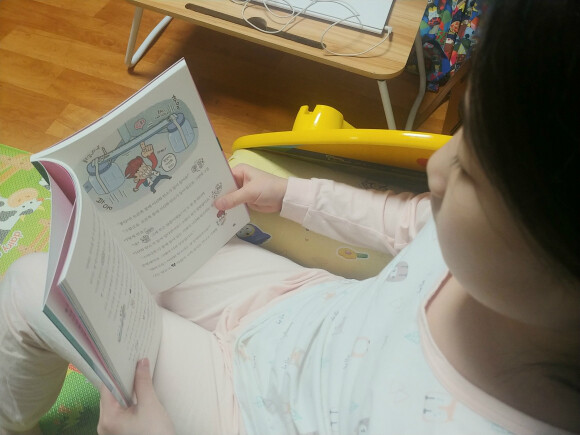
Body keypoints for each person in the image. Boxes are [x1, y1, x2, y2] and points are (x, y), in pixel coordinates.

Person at [1, 0, 579, 434]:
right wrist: (291, 194)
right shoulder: (516, 271)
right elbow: (404, 221)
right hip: (296, 307)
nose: (438, 166)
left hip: (242, 411)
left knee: (35, 285)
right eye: (464, 132)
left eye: (471, 173)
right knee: (139, 251)